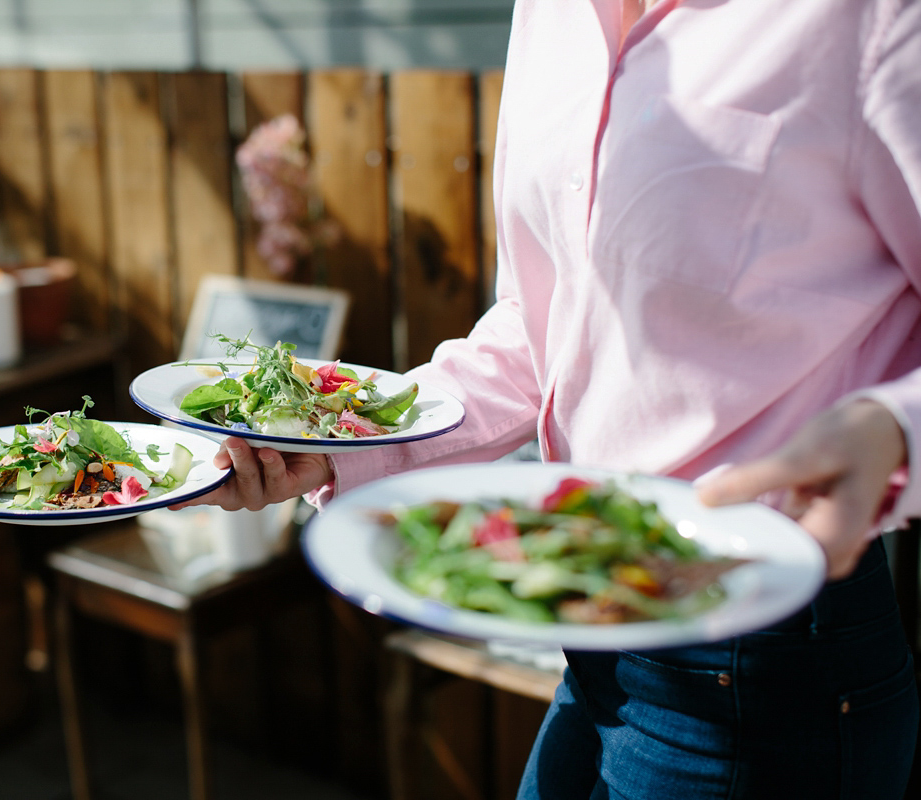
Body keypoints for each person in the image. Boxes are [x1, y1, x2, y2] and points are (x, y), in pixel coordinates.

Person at [173, 0, 921, 796]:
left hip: (761, 661)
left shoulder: (870, 19)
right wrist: (344, 442)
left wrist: (894, 429)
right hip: (588, 618)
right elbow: (541, 329)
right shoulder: (552, 12)